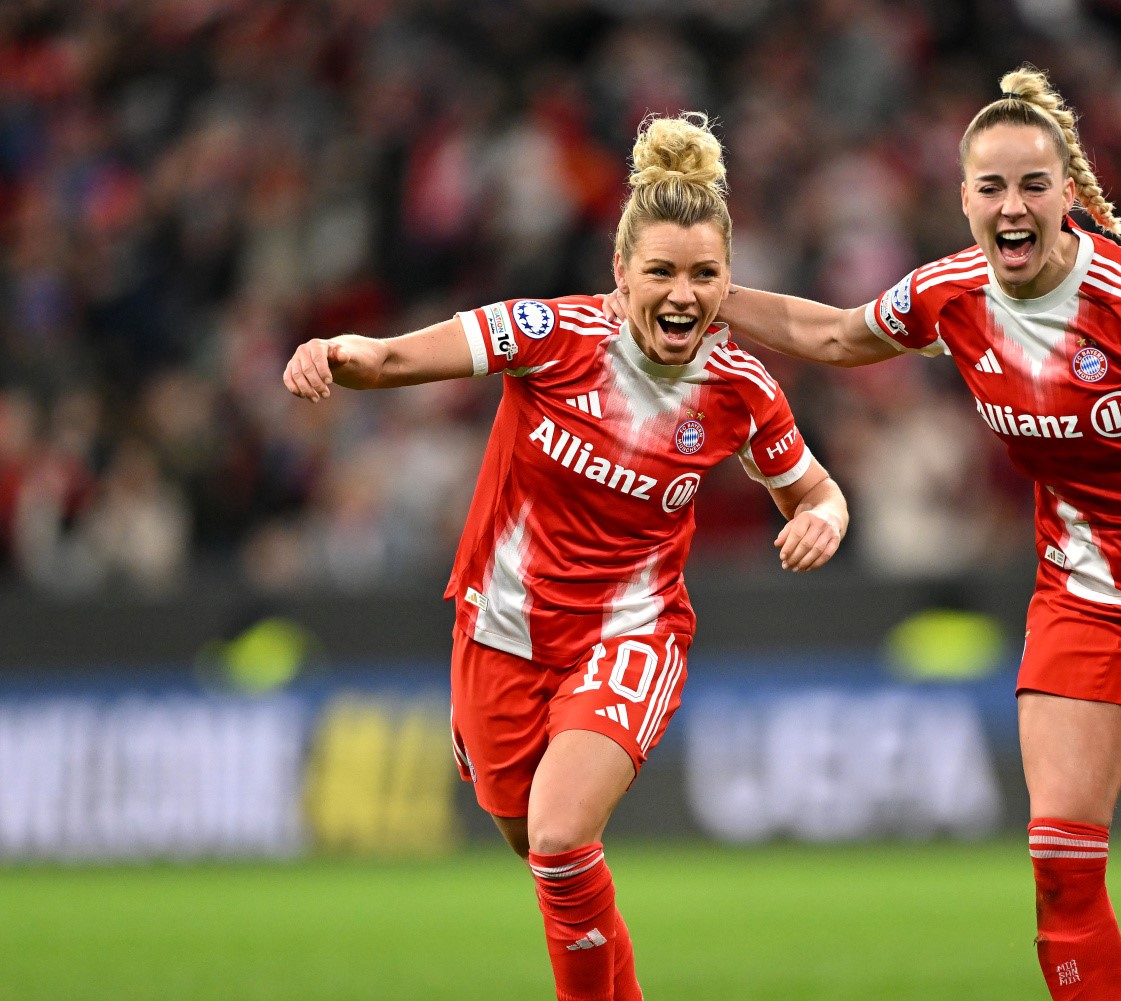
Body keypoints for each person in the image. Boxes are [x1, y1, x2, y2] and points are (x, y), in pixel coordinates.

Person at [611, 66, 1121, 1000]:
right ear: (963, 198)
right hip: (1082, 591)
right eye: (991, 187)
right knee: (1059, 860)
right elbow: (840, 335)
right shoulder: (952, 294)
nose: (1012, 205)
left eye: (1032, 185)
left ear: (1069, 197)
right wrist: (702, 294)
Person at [282, 113, 847, 1001]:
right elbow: (392, 358)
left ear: (728, 282)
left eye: (705, 275)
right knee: (537, 843)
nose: (682, 294)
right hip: (501, 634)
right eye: (660, 271)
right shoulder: (547, 335)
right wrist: (333, 352)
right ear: (620, 273)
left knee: (556, 832)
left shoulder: (740, 391)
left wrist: (825, 517)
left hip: (630, 634)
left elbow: (815, 489)